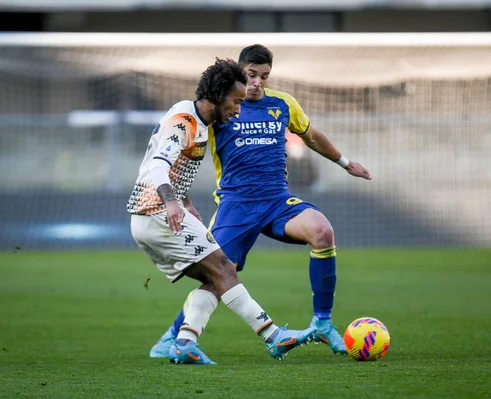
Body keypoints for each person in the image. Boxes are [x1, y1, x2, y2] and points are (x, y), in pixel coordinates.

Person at [149, 45, 371, 359]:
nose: (257, 82)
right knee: (219, 275)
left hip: (278, 201)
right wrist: (176, 191)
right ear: (238, 73)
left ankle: (322, 322)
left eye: (263, 76)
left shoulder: (283, 103)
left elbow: (310, 136)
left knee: (323, 232)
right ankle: (172, 339)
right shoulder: (224, 105)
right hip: (236, 205)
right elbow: (188, 135)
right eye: (251, 75)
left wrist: (345, 162)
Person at [129, 58, 316, 365]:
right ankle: (272, 336)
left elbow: (174, 168)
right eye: (235, 102)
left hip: (151, 218)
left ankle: (184, 341)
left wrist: (185, 201)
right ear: (217, 95)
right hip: (157, 215)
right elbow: (158, 166)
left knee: (218, 275)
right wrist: (173, 203)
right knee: (225, 268)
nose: (238, 110)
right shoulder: (184, 122)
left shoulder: (198, 121)